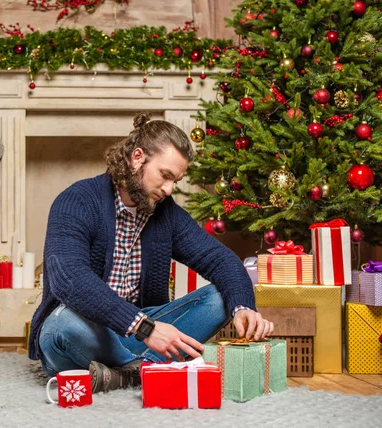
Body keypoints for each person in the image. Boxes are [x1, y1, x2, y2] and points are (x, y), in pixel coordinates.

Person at [28, 112, 274, 393]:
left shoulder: (166, 214)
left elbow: (221, 260)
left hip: (143, 330)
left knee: (221, 298)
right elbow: (69, 279)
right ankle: (148, 370)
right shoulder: (78, 200)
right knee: (61, 324)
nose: (169, 189)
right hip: (92, 329)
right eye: (165, 176)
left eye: (175, 181)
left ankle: (123, 374)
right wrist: (145, 328)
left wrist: (243, 306)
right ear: (137, 158)